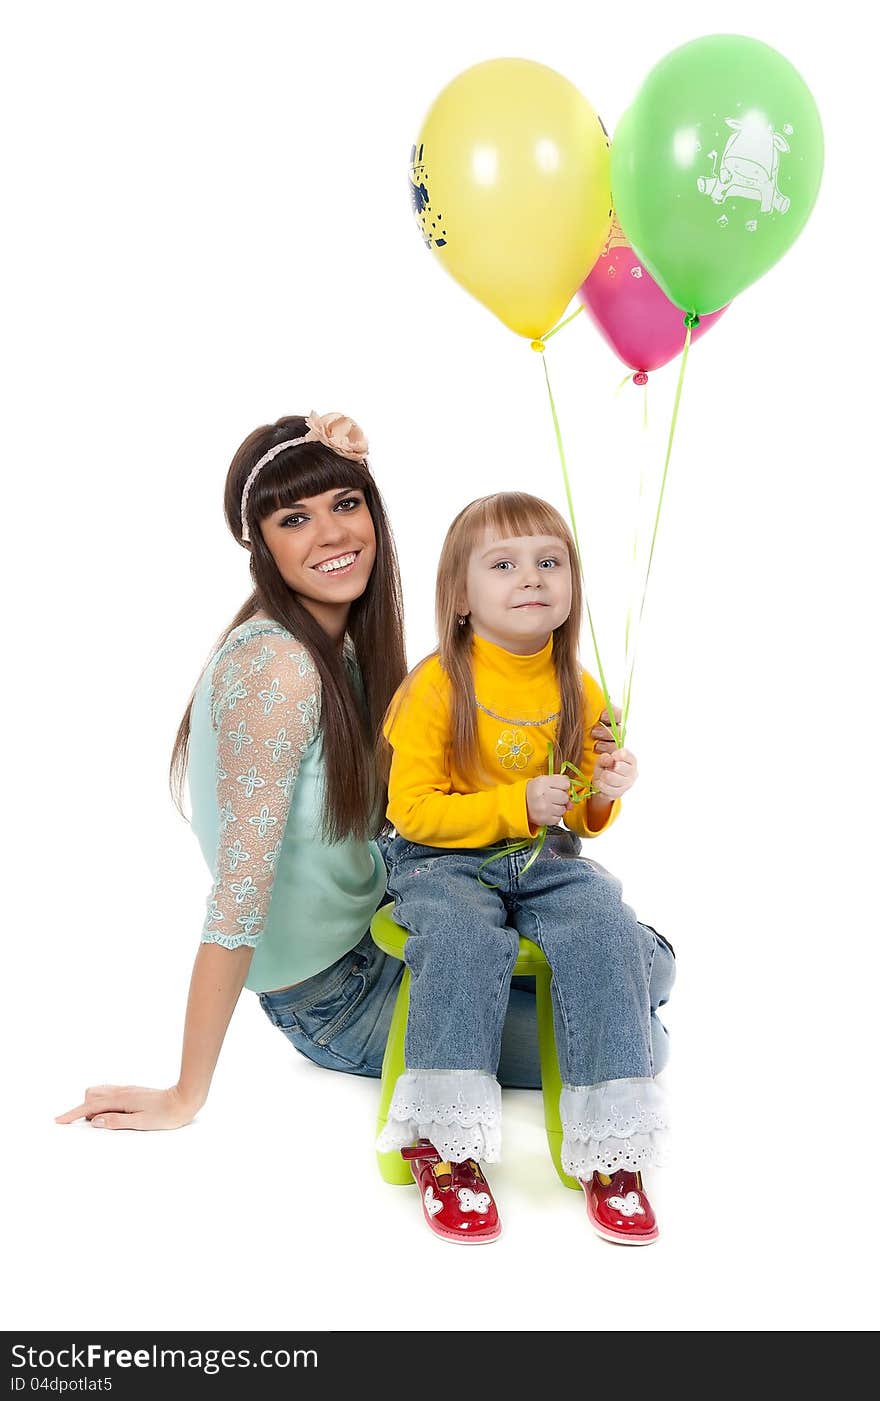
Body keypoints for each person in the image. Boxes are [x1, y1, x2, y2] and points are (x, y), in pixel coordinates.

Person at [54, 414, 551, 1135]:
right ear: (263, 546)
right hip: (335, 996)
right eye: (295, 518)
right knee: (635, 1025)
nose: (333, 534)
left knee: (639, 970)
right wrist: (185, 1092)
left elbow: (412, 801)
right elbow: (238, 892)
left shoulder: (341, 649)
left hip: (385, 919)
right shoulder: (276, 666)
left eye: (346, 504)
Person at [376, 491, 675, 1246]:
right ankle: (443, 1147)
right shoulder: (437, 683)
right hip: (440, 861)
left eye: (550, 561)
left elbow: (574, 816)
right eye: (503, 564)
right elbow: (410, 809)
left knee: (605, 921)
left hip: (542, 859)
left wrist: (601, 794)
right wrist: (515, 802)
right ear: (462, 597)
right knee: (463, 938)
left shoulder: (581, 687)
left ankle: (612, 1147)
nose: (531, 577)